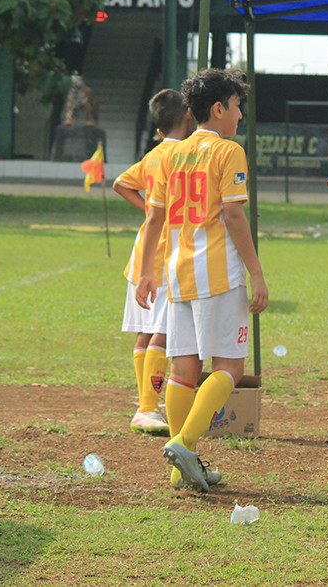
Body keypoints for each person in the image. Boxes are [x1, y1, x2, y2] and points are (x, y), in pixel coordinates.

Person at [135, 68, 269, 491]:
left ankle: (180, 471)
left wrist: (145, 272)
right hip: (218, 273)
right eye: (237, 106)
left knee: (184, 368)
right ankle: (185, 444)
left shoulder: (168, 153)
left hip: (177, 271)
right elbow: (232, 214)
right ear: (218, 108)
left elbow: (154, 215)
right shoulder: (229, 152)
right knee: (229, 365)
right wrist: (257, 271)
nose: (240, 115)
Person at [113, 89, 194, 435]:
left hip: (143, 250)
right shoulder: (187, 155)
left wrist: (148, 210)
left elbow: (120, 184)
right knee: (161, 333)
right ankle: (147, 407)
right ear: (189, 116)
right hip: (164, 256)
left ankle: (146, 404)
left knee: (145, 334)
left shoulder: (153, 155)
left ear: (158, 128)